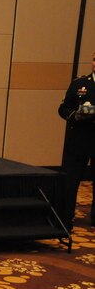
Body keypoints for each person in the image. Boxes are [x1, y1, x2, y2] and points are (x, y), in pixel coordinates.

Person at [58, 51, 95, 227]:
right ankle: (66, 217)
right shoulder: (80, 84)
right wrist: (75, 116)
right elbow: (63, 108)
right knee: (71, 181)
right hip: (79, 139)